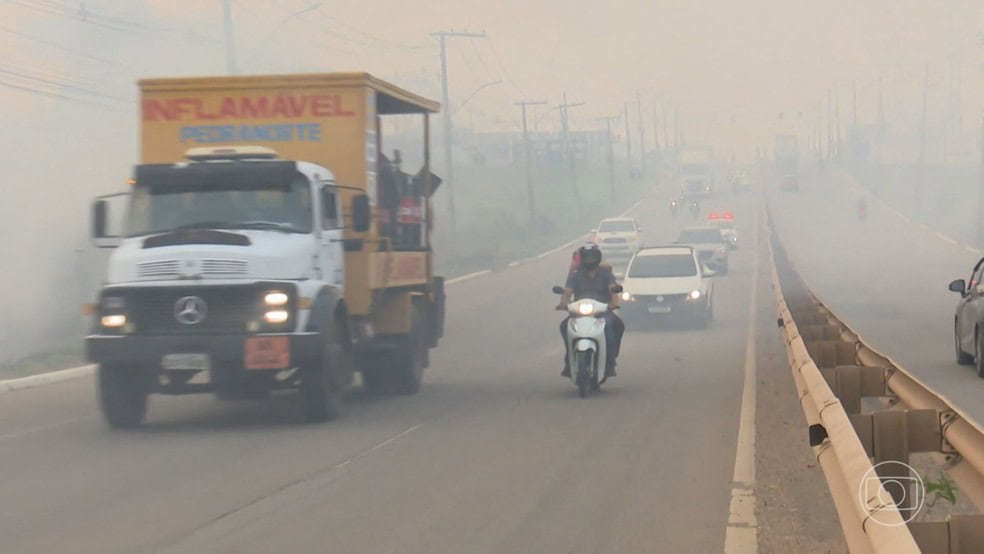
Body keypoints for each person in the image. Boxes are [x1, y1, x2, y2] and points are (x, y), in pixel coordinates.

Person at [556, 243, 625, 378]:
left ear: (598, 257)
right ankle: (569, 361)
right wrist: (563, 304)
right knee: (564, 326)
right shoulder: (575, 275)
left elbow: (613, 289)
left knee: (615, 325)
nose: (589, 259)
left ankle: (610, 361)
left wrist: (613, 304)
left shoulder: (605, 273)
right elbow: (567, 292)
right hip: (578, 313)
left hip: (602, 312)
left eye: (592, 256)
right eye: (586, 256)